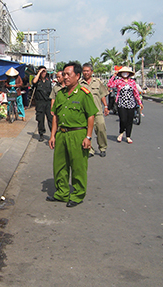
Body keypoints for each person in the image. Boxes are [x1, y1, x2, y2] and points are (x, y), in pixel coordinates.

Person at [47, 62, 98, 207]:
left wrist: (88, 137)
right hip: (62, 134)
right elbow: (55, 116)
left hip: (77, 133)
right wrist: (53, 135)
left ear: (78, 76)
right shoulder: (61, 94)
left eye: (69, 74)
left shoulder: (84, 94)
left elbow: (91, 116)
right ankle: (62, 193)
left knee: (78, 166)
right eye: (64, 74)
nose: (65, 77)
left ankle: (77, 194)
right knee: (60, 166)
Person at [79, 63, 109, 157]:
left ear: (92, 71)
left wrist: (106, 106)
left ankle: (102, 147)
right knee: (87, 131)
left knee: (101, 128)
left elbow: (102, 95)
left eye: (88, 71)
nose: (86, 73)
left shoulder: (97, 82)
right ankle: (90, 149)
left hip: (97, 111)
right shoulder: (79, 83)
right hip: (85, 113)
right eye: (84, 71)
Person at [107, 66, 143, 144]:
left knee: (130, 120)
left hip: (131, 103)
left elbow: (136, 93)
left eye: (126, 72)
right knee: (123, 119)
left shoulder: (132, 82)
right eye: (123, 72)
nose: (125, 74)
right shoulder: (118, 81)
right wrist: (114, 75)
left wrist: (139, 102)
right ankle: (121, 132)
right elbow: (109, 85)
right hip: (121, 103)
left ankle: (128, 136)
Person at [32, 66, 53, 141]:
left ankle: (53, 134)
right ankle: (41, 134)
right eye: (42, 72)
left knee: (50, 119)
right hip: (40, 103)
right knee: (40, 119)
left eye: (44, 71)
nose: (43, 73)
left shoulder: (48, 80)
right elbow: (34, 82)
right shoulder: (37, 80)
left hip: (48, 102)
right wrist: (39, 72)